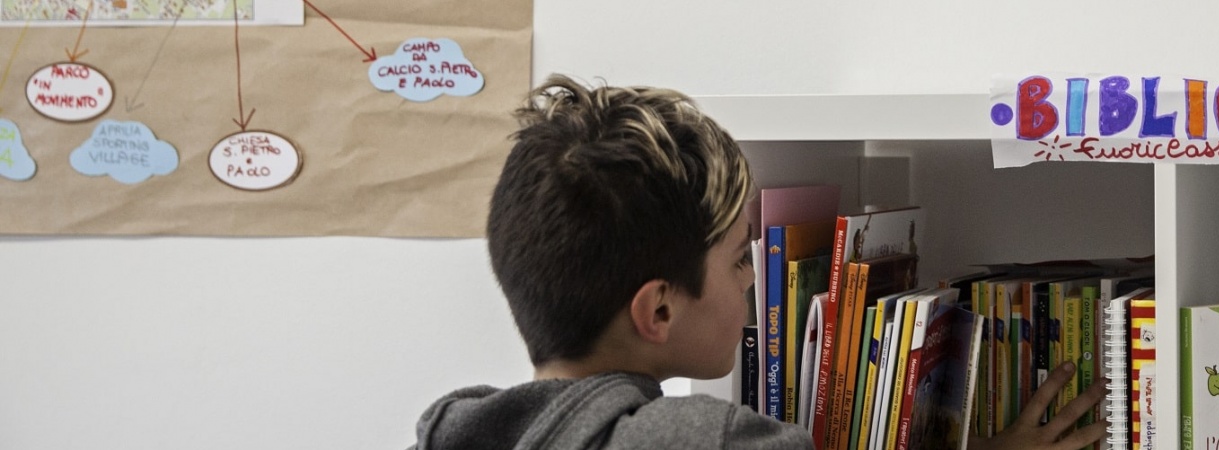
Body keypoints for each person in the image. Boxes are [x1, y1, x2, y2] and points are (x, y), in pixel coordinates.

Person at [405, 75, 1107, 450]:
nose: (753, 280)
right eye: (742, 261)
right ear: (658, 309)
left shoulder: (457, 430)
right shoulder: (708, 440)